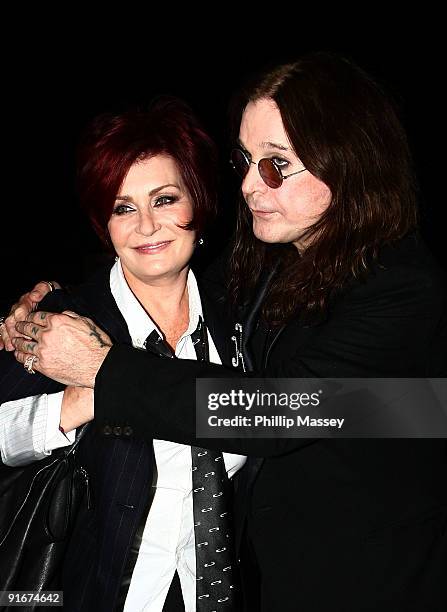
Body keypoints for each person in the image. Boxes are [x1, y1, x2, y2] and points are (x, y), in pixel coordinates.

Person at [2, 52, 447, 611]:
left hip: (366, 584)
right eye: (245, 160)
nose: (251, 186)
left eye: (277, 164)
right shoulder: (265, 268)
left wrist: (102, 371)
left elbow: (281, 414)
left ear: (349, 159)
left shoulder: (401, 289)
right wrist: (41, 308)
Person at [0, 98, 246, 612]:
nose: (146, 226)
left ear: (197, 203)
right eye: (123, 207)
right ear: (104, 223)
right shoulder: (61, 318)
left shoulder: (245, 314)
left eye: (165, 199)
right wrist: (76, 402)